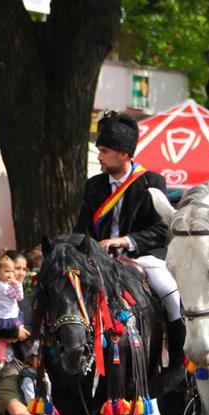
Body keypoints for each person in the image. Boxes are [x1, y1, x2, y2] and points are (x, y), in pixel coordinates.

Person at [75, 110, 185, 364]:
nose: (99, 157)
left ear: (123, 154)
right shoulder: (94, 186)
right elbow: (82, 230)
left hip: (143, 258)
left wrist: (124, 241)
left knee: (170, 292)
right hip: (100, 260)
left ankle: (180, 359)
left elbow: (160, 230)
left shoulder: (152, 181)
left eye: (104, 151)